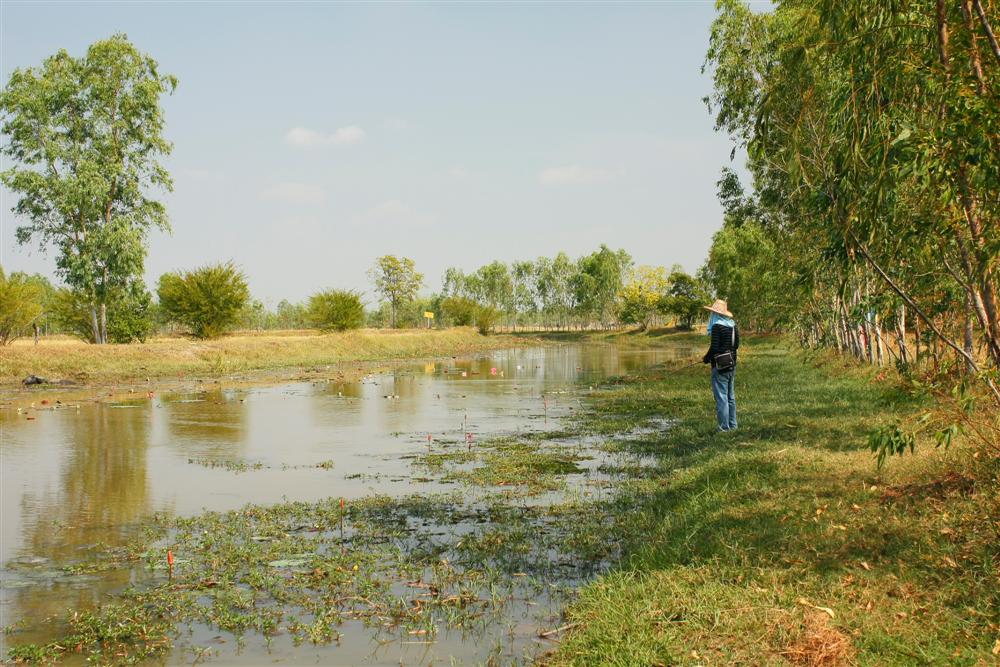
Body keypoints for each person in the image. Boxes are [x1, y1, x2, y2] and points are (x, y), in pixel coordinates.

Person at [702, 299, 739, 432]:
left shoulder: (717, 326)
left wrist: (706, 358)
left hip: (720, 366)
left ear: (715, 314)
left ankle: (724, 428)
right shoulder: (733, 325)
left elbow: (715, 348)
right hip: (732, 364)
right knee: (730, 397)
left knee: (721, 398)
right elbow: (736, 345)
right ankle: (733, 426)